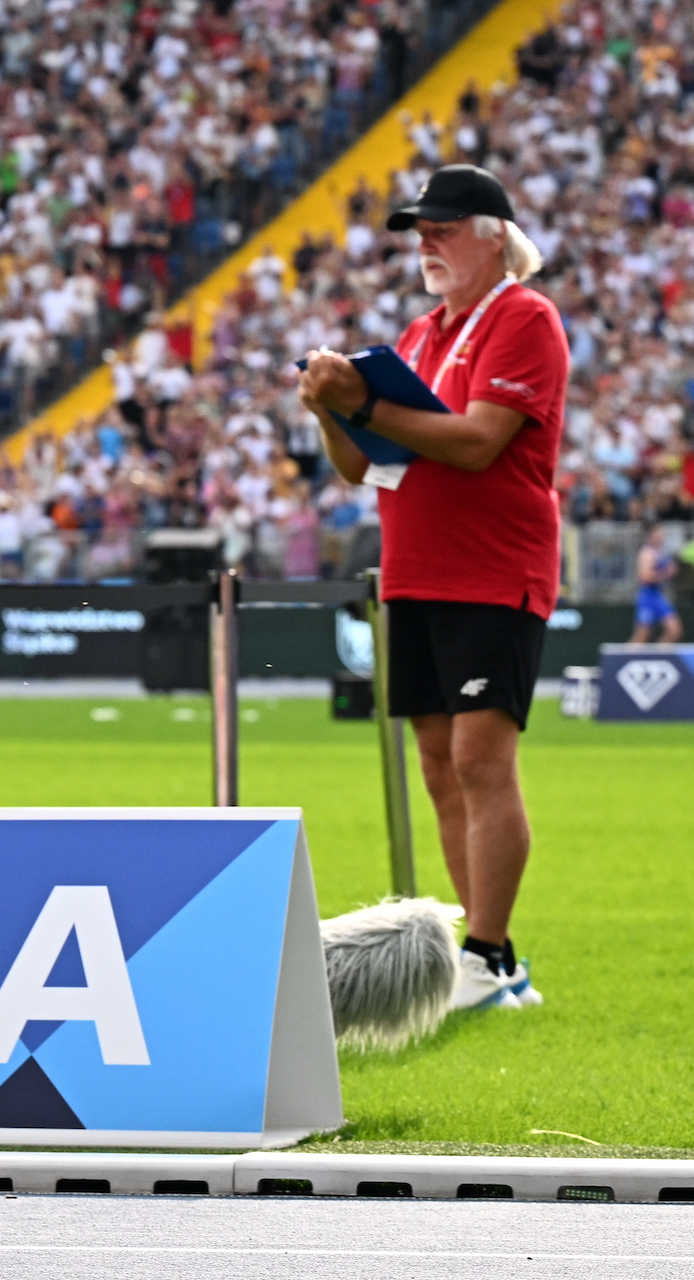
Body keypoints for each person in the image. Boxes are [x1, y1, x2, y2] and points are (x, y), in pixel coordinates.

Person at [298, 163, 566, 1018]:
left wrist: (361, 404)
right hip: (415, 567)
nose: (426, 244)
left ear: (495, 238)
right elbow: (363, 465)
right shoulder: (420, 334)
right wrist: (329, 407)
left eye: (443, 229)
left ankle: (483, 954)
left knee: (482, 761)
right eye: (421, 231)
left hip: (492, 567)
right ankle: (493, 963)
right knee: (441, 764)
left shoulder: (525, 317)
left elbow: (479, 442)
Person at [631, 527, 683, 644]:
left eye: (662, 534)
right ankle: (622, 655)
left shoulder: (660, 553)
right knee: (642, 636)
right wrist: (667, 572)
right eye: (658, 534)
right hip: (647, 597)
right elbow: (644, 576)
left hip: (659, 596)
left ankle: (659, 653)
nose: (661, 537)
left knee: (675, 631)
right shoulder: (646, 553)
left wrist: (671, 571)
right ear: (651, 536)